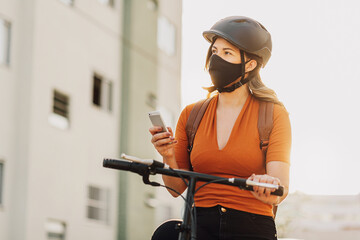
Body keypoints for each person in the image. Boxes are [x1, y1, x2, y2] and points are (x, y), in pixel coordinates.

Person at [149, 16, 291, 240]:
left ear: (251, 64)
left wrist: (268, 186)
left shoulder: (272, 115)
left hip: (251, 226)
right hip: (200, 223)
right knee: (166, 234)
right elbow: (175, 189)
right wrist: (167, 155)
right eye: (215, 51)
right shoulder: (191, 115)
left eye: (227, 53)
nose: (216, 59)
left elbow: (280, 189)